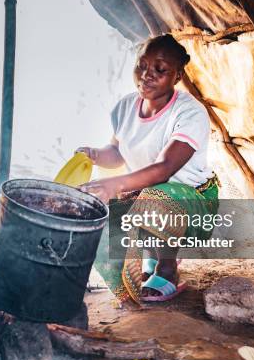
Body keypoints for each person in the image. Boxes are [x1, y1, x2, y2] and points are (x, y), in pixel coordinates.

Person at [77, 34, 219, 306]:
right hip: (148, 193)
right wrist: (94, 156)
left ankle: (167, 268)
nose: (146, 75)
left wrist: (114, 185)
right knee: (102, 210)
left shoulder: (190, 113)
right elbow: (118, 153)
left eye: (160, 70)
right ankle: (148, 259)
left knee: (153, 198)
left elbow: (165, 168)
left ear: (177, 76)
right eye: (141, 65)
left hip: (193, 201)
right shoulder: (125, 107)